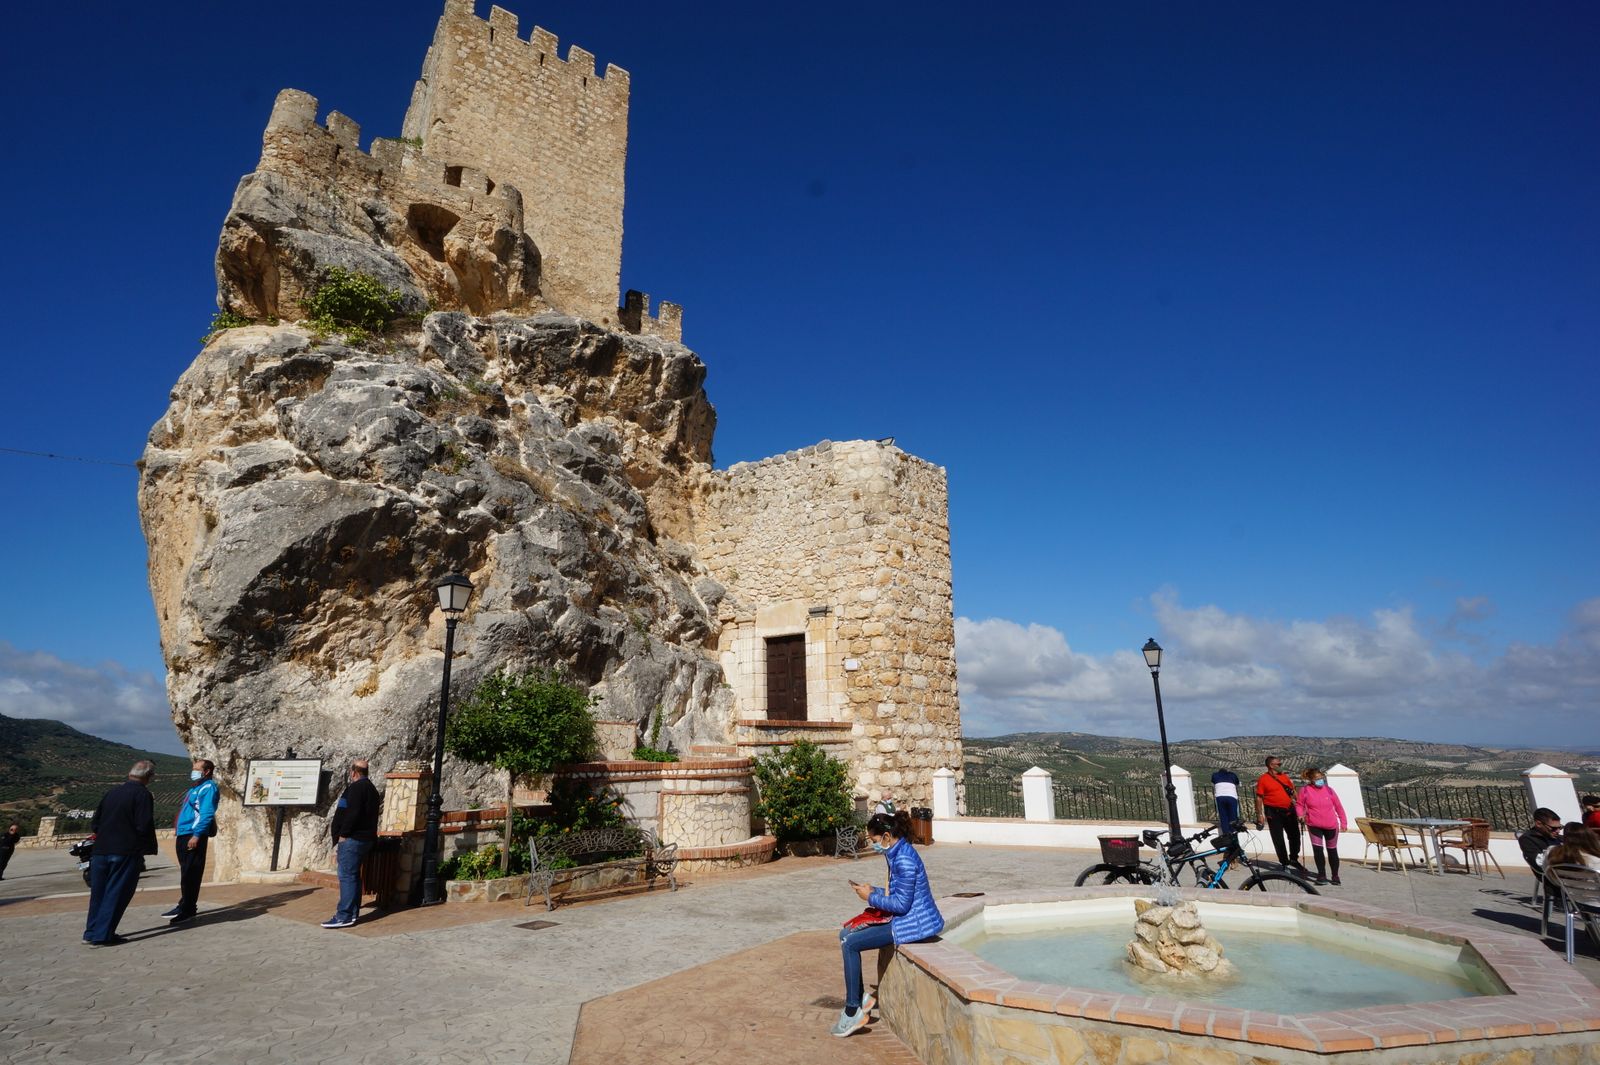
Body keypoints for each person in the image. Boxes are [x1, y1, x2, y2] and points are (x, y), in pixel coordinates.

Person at [833, 809, 943, 1038]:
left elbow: (902, 905)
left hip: (913, 924)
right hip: (905, 918)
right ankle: (861, 998)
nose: (874, 846)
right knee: (845, 934)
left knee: (850, 944)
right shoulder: (897, 851)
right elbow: (899, 893)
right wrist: (874, 890)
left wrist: (870, 897)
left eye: (874, 841)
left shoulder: (903, 859)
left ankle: (852, 1010)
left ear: (885, 836)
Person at [83, 760, 159, 946]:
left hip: (100, 850)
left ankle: (91, 931)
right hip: (125, 850)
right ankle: (103, 934)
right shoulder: (142, 795)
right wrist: (145, 847)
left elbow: (96, 822)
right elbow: (144, 825)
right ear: (149, 777)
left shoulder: (112, 792)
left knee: (98, 893)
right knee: (117, 892)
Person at [323, 759, 381, 929]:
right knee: (353, 876)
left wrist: (343, 835)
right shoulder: (372, 789)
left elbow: (353, 814)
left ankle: (344, 915)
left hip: (353, 840)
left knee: (347, 876)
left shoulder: (356, 788)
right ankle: (352, 914)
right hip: (365, 839)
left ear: (353, 772)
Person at [161, 759, 218, 924]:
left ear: (207, 771)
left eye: (197, 769)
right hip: (184, 834)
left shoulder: (208, 788)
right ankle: (185, 904)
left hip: (193, 835)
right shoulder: (195, 788)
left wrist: (197, 835)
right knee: (186, 872)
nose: (193, 771)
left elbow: (206, 813)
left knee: (191, 873)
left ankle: (187, 908)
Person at [1293, 767, 1348, 886]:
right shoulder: (1305, 790)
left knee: (1332, 851)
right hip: (1314, 825)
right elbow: (1299, 805)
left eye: (1321, 778)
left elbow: (1339, 807)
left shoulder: (1330, 791)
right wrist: (1300, 815)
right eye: (1317, 778)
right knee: (1318, 851)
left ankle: (1335, 875)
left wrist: (1344, 822)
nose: (1320, 780)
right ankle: (1321, 875)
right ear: (1311, 779)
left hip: (1331, 826)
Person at [1254, 756, 1304, 872]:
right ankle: (1284, 862)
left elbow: (1293, 792)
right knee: (1278, 839)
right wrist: (1259, 815)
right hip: (1273, 812)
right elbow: (1259, 797)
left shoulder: (1284, 777)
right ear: (1271, 765)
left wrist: (1300, 807)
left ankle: (1293, 859)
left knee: (1295, 836)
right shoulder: (1263, 779)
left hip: (1289, 811)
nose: (1281, 766)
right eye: (1279, 764)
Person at [1519, 808, 1563, 874]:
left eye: (1560, 827)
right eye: (1553, 828)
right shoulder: (1528, 839)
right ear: (1538, 824)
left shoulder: (1559, 838)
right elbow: (1539, 864)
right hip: (1553, 876)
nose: (1558, 831)